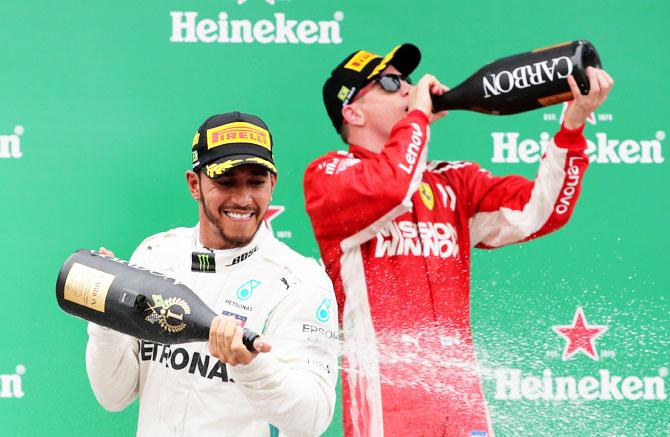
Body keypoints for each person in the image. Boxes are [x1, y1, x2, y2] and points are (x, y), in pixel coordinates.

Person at [303, 44, 613, 436]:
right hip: (389, 412)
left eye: (409, 82)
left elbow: (538, 213)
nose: (407, 89)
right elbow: (392, 188)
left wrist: (572, 127)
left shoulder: (454, 182)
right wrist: (417, 116)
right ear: (353, 111)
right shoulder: (329, 176)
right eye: (389, 82)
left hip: (462, 408)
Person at [86, 112, 339, 437]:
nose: (243, 198)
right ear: (195, 184)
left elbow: (312, 419)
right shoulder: (156, 254)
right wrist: (105, 322)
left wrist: (251, 365)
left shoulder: (301, 283)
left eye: (256, 182)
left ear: (272, 184)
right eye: (226, 181)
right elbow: (114, 396)